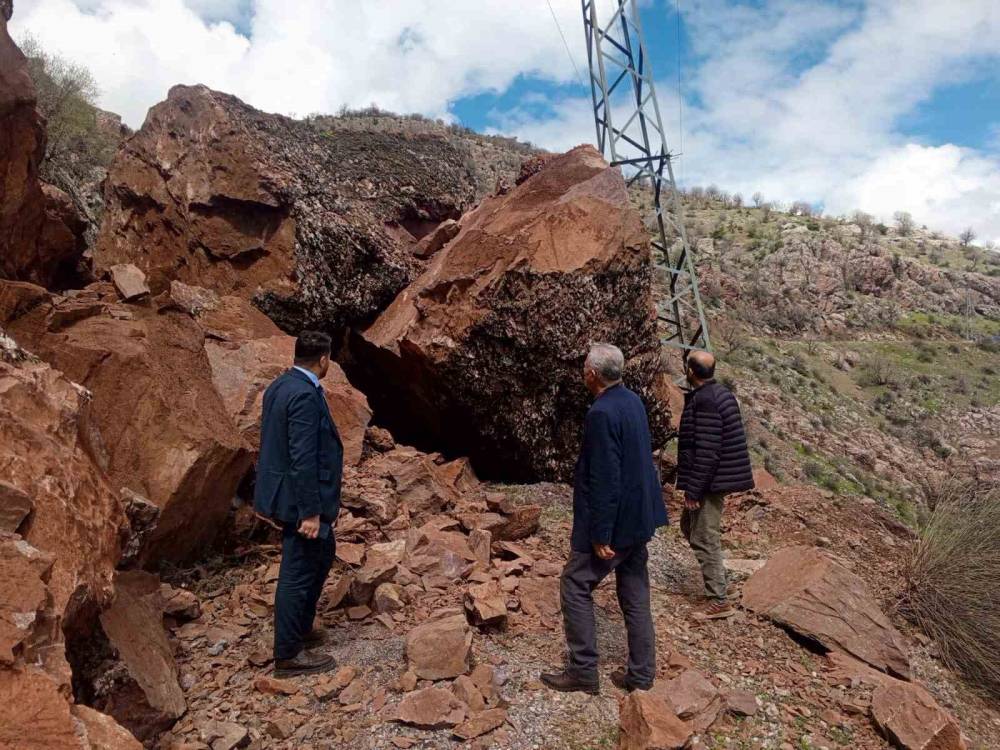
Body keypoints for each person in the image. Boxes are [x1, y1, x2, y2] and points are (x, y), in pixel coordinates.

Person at [541, 343, 667, 695]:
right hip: (639, 518)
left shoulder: (600, 413)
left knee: (575, 583)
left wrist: (600, 533)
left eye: (584, 367)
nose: (583, 371)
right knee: (635, 590)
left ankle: (583, 671)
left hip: (616, 522)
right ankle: (641, 675)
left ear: (592, 374)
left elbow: (605, 479)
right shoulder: (633, 401)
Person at [254, 330, 343, 677]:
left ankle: (301, 627)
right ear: (323, 359)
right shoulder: (305, 395)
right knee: (297, 570)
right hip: (299, 499)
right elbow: (302, 457)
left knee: (322, 551)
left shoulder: (280, 385)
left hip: (282, 491)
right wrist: (310, 511)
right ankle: (289, 653)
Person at [676, 350, 754, 620]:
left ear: (690, 372)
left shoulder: (706, 400)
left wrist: (694, 489)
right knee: (689, 527)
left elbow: (707, 451)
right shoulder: (719, 393)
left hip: (709, 481)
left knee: (703, 536)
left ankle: (719, 599)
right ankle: (721, 584)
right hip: (714, 477)